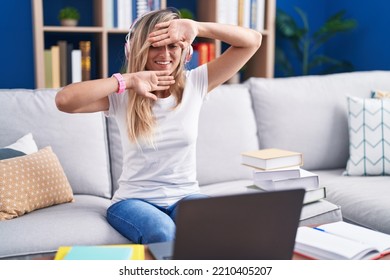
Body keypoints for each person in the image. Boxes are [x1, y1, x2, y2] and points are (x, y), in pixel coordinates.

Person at [55, 8, 262, 244]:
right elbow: (64, 101)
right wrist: (128, 80)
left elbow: (253, 41)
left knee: (221, 227)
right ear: (138, 50)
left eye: (173, 45)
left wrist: (196, 27)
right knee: (163, 232)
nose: (164, 54)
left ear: (185, 51)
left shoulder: (196, 83)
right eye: (155, 45)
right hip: (134, 201)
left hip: (186, 196)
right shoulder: (122, 94)